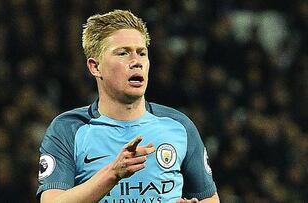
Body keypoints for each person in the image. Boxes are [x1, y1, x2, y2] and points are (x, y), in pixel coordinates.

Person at [36, 10, 219, 203]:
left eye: (142, 53)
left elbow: (209, 198)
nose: (136, 62)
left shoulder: (179, 125)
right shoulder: (69, 129)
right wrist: (112, 174)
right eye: (123, 53)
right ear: (95, 67)